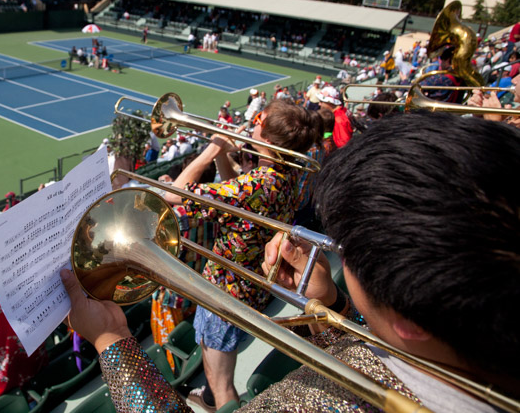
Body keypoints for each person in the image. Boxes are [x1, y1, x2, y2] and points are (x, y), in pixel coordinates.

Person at [60, 111, 519, 413]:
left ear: (410, 319)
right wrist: (339, 306)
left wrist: (112, 340)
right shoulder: (294, 179)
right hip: (254, 289)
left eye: (350, 249)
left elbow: (165, 205)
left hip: (228, 286)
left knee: (222, 377)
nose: (337, 252)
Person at [159, 100, 315, 410]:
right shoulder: (283, 175)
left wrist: (211, 150)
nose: (252, 123)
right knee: (213, 364)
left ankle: (222, 405)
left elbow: (172, 194)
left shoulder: (254, 184)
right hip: (244, 289)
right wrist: (225, 158)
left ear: (267, 140)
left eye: (258, 119)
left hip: (227, 296)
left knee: (222, 384)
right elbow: (235, 189)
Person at [0, 257, 47, 407]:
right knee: (32, 377)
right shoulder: (35, 285)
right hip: (30, 349)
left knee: (3, 385)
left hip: (3, 358)